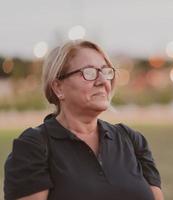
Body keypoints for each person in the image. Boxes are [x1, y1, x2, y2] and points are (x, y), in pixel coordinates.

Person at [4, 40, 164, 200]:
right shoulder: (33, 147)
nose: (103, 81)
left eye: (106, 71)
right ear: (58, 87)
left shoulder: (131, 140)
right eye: (89, 72)